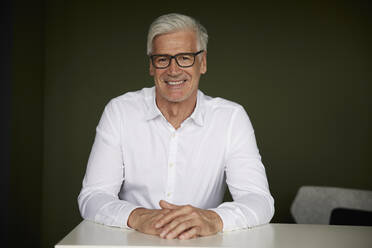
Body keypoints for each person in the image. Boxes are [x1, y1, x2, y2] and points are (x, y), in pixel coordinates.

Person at [78, 13, 274, 240]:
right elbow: (93, 195)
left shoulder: (231, 118)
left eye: (185, 58)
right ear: (152, 66)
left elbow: (259, 199)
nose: (173, 70)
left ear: (203, 62)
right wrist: (138, 216)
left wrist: (212, 219)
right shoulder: (120, 112)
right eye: (163, 59)